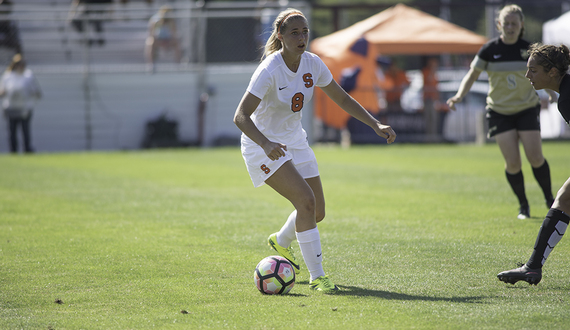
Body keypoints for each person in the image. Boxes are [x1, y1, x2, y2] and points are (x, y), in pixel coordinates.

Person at [233, 8, 396, 294]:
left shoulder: (313, 63)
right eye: (294, 32)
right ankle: (318, 276)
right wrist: (266, 144)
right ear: (280, 36)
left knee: (316, 211)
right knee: (305, 202)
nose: (301, 37)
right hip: (263, 145)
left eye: (305, 31)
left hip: (295, 140)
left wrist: (374, 123)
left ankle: (281, 241)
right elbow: (240, 116)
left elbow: (342, 99)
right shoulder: (270, 69)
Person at [447, 4, 554, 219]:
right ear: (499, 25)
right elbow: (472, 75)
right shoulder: (489, 50)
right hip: (499, 111)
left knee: (535, 157)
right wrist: (459, 95)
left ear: (521, 25)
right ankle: (523, 206)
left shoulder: (530, 50)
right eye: (506, 23)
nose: (510, 27)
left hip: (526, 108)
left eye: (514, 23)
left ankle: (550, 200)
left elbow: (544, 75)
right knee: (513, 162)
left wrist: (552, 93)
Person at [497, 43, 570, 285]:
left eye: (533, 70)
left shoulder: (567, 97)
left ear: (552, 72)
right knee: (564, 199)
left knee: (564, 199)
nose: (527, 75)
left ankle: (532, 267)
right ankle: (532, 267)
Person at [0, 54, 42, 153]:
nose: (21, 66)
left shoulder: (28, 75)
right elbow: (2, 91)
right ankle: (13, 151)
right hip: (11, 107)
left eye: (22, 64)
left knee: (25, 131)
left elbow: (36, 91)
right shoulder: (8, 76)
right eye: (19, 64)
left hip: (25, 107)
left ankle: (27, 149)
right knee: (12, 132)